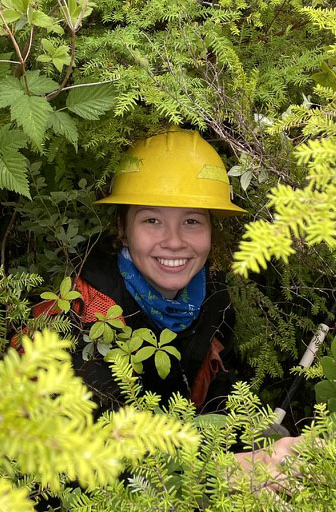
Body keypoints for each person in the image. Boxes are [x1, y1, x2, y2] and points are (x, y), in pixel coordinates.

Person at [18, 126, 301, 489]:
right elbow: (85, 459)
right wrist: (221, 470)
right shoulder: (78, 316)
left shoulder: (210, 295)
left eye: (192, 221)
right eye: (152, 220)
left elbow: (212, 390)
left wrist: (259, 439)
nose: (174, 242)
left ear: (211, 231)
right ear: (123, 227)